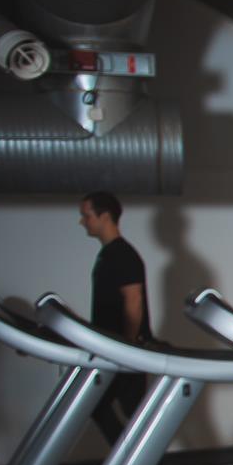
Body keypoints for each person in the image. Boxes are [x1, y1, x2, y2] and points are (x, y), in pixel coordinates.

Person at [78, 191, 154, 445]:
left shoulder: (122, 254)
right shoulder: (108, 254)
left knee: (106, 408)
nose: (82, 221)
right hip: (114, 349)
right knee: (128, 414)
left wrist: (129, 345)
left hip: (125, 350)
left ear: (105, 216)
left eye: (86, 215)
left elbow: (134, 300)